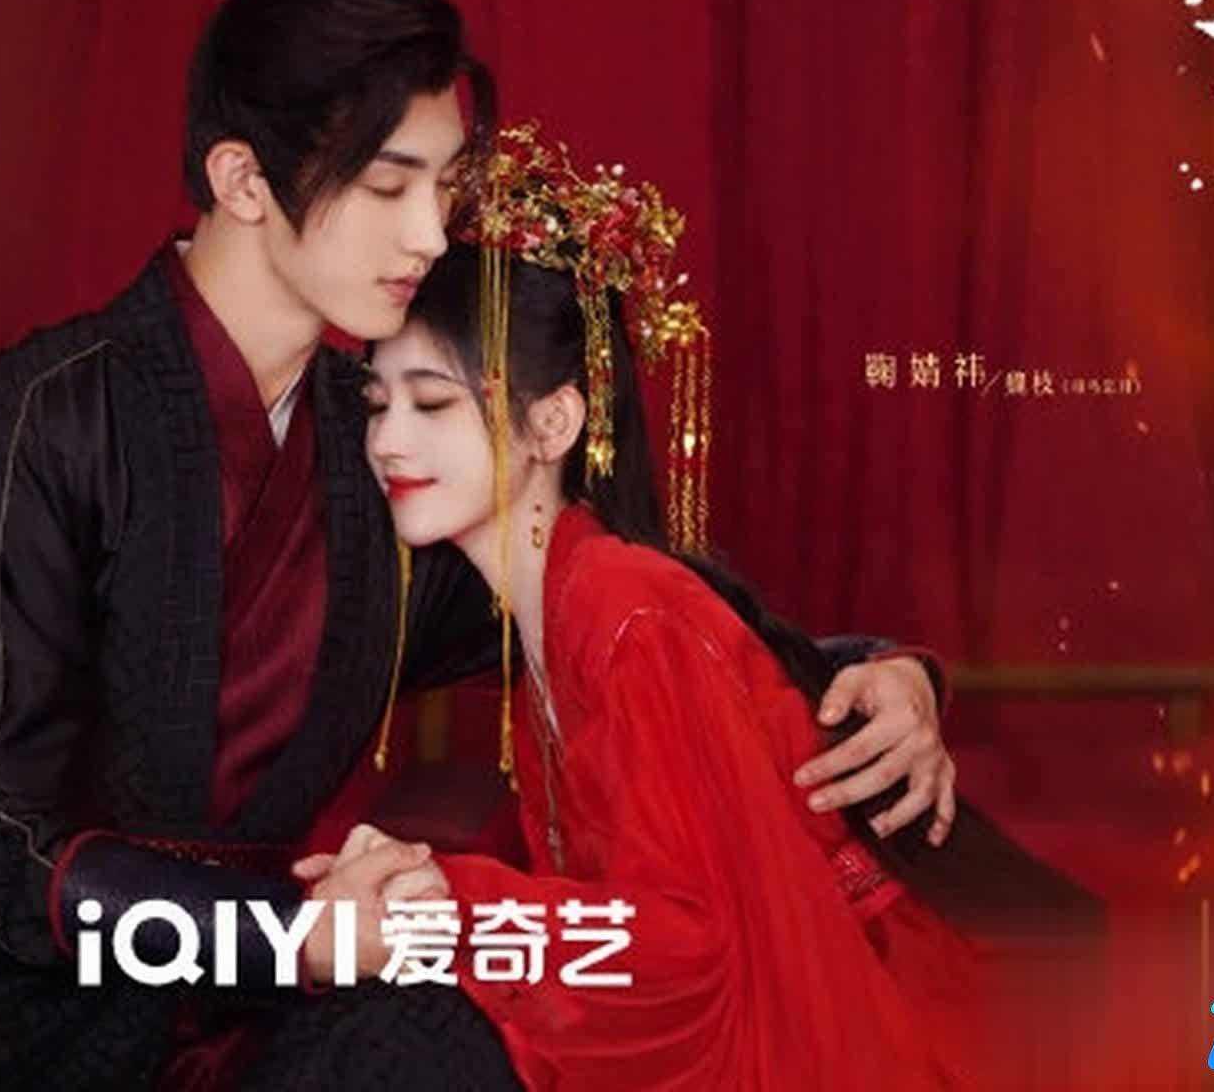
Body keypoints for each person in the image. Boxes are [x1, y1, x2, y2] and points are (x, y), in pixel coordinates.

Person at [0, 0, 959, 1091]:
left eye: (445, 187)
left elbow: (591, 603)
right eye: (390, 184)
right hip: (32, 990)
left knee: (444, 1039)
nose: (432, 235)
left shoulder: (375, 443)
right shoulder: (23, 421)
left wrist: (873, 671)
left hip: (288, 985)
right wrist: (285, 935)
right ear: (241, 180)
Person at [317, 124, 1099, 1089]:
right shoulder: (552, 619)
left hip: (860, 1014)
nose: (388, 441)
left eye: (431, 403)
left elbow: (692, 947)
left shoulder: (627, 611)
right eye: (376, 403)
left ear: (552, 422)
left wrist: (446, 904)